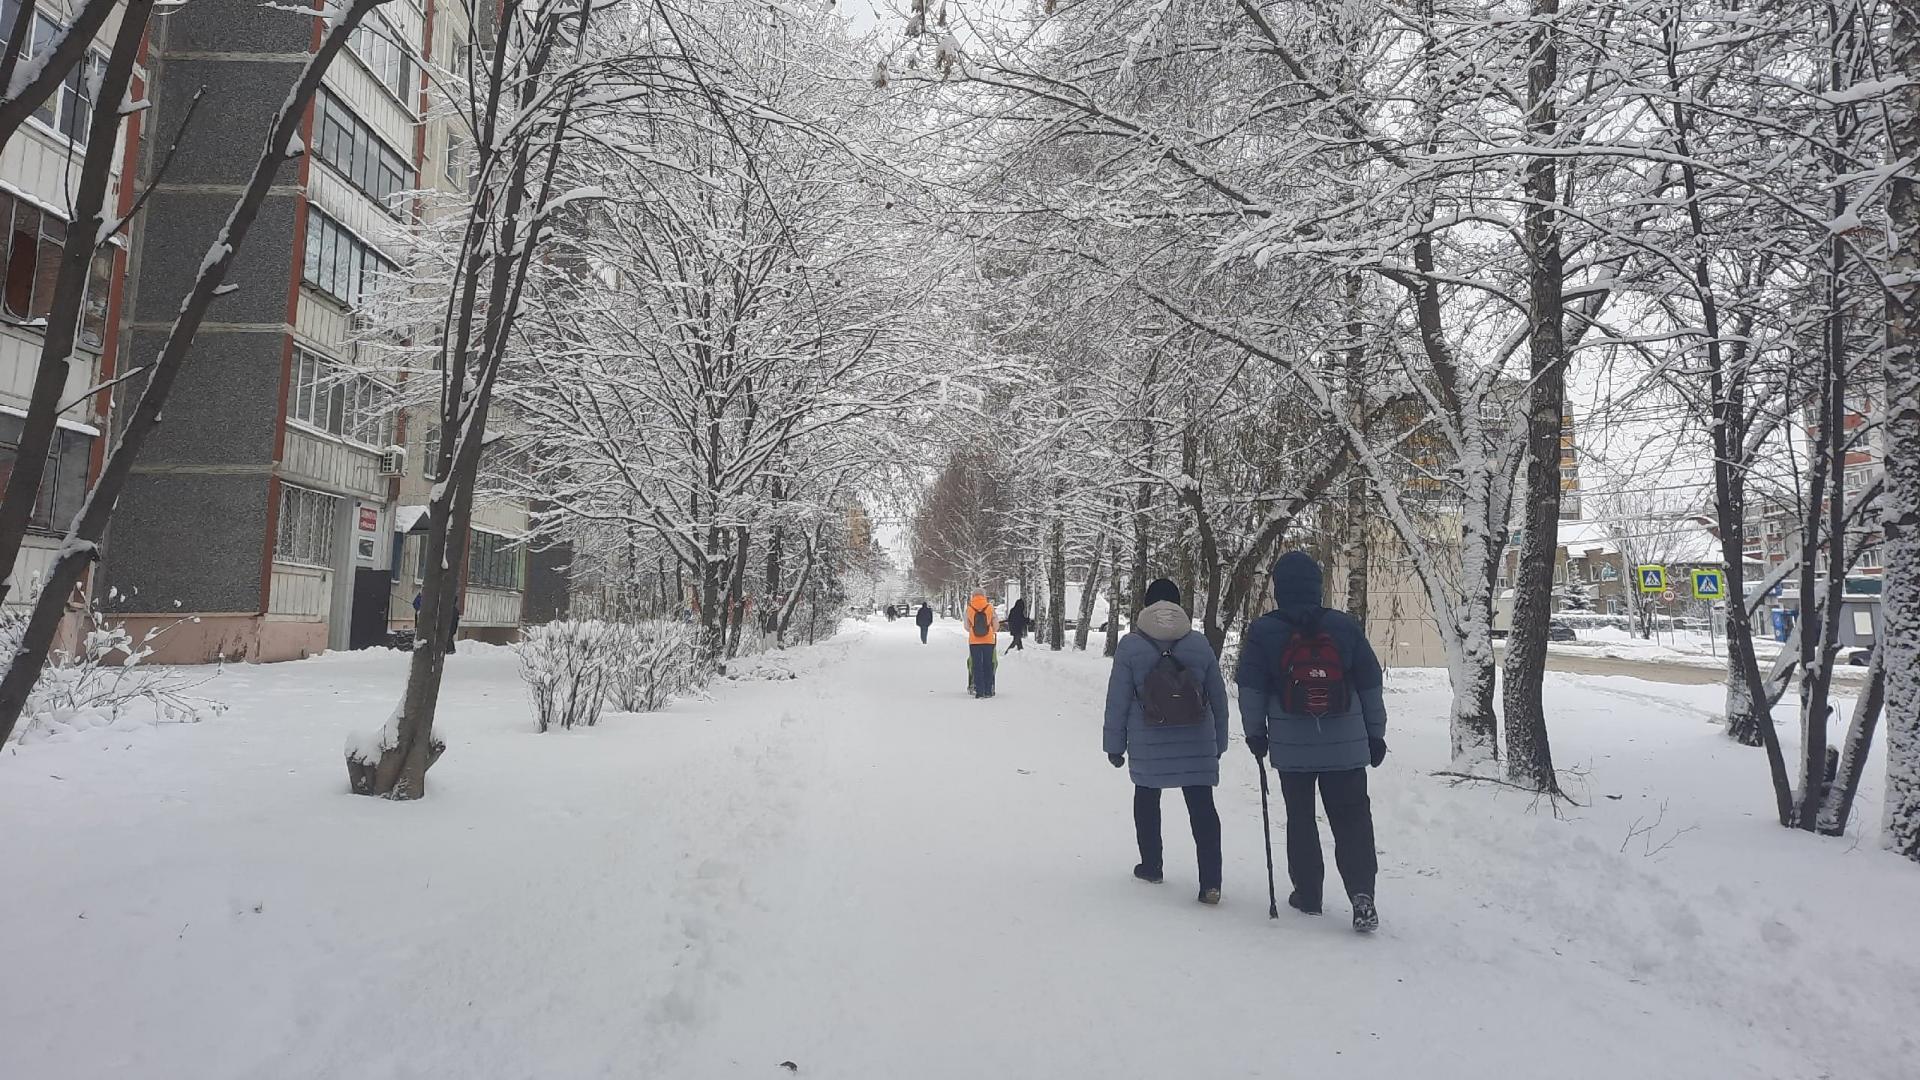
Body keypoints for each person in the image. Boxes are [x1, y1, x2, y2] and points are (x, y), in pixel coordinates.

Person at [1237, 551, 1387, 933]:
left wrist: (1256, 734)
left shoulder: (1265, 631)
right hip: (1347, 745)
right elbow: (1370, 684)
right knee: (1352, 820)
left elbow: (1251, 689)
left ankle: (1308, 894)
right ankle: (1361, 893)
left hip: (1291, 748)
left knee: (1301, 820)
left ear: (1279, 589)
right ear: (1317, 587)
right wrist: (1375, 734)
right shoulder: (1344, 626)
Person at [1103, 578, 1230, 905]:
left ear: (1147, 605)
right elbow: (1218, 697)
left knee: (1146, 797)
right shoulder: (1199, 644)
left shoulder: (1131, 646)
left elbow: (1117, 699)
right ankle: (1210, 883)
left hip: (1148, 739)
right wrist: (1219, 742)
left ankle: (1152, 865)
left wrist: (1114, 746)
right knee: (1202, 808)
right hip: (1197, 740)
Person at [964, 591, 998, 697]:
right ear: (984, 595)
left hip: (974, 642)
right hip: (988, 641)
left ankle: (979, 691)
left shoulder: (969, 608)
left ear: (973, 596)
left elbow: (966, 626)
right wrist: (991, 631)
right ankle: (988, 690)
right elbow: (996, 625)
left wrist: (974, 631)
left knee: (976, 665)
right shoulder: (990, 607)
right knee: (988, 664)